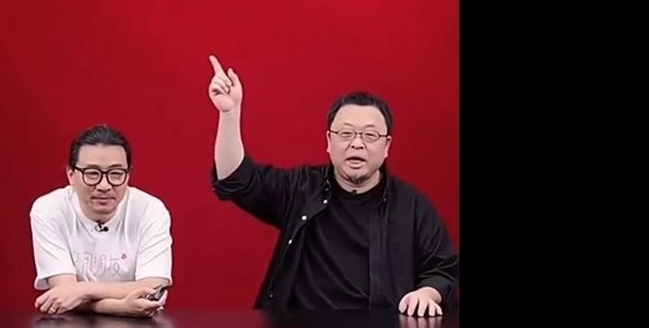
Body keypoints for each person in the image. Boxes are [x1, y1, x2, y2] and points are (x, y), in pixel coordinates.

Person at [206, 55, 458, 316]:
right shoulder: (300, 188)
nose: (357, 144)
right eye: (346, 134)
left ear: (387, 146)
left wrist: (427, 293)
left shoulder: (412, 206)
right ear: (329, 141)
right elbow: (235, 179)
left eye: (370, 135)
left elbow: (443, 269)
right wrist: (229, 114)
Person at [30, 124, 173, 317]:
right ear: (71, 175)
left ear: (128, 175)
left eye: (116, 174)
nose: (104, 185)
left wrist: (82, 290)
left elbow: (152, 286)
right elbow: (63, 294)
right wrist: (120, 307)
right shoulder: (49, 209)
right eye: (92, 173)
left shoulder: (150, 210)